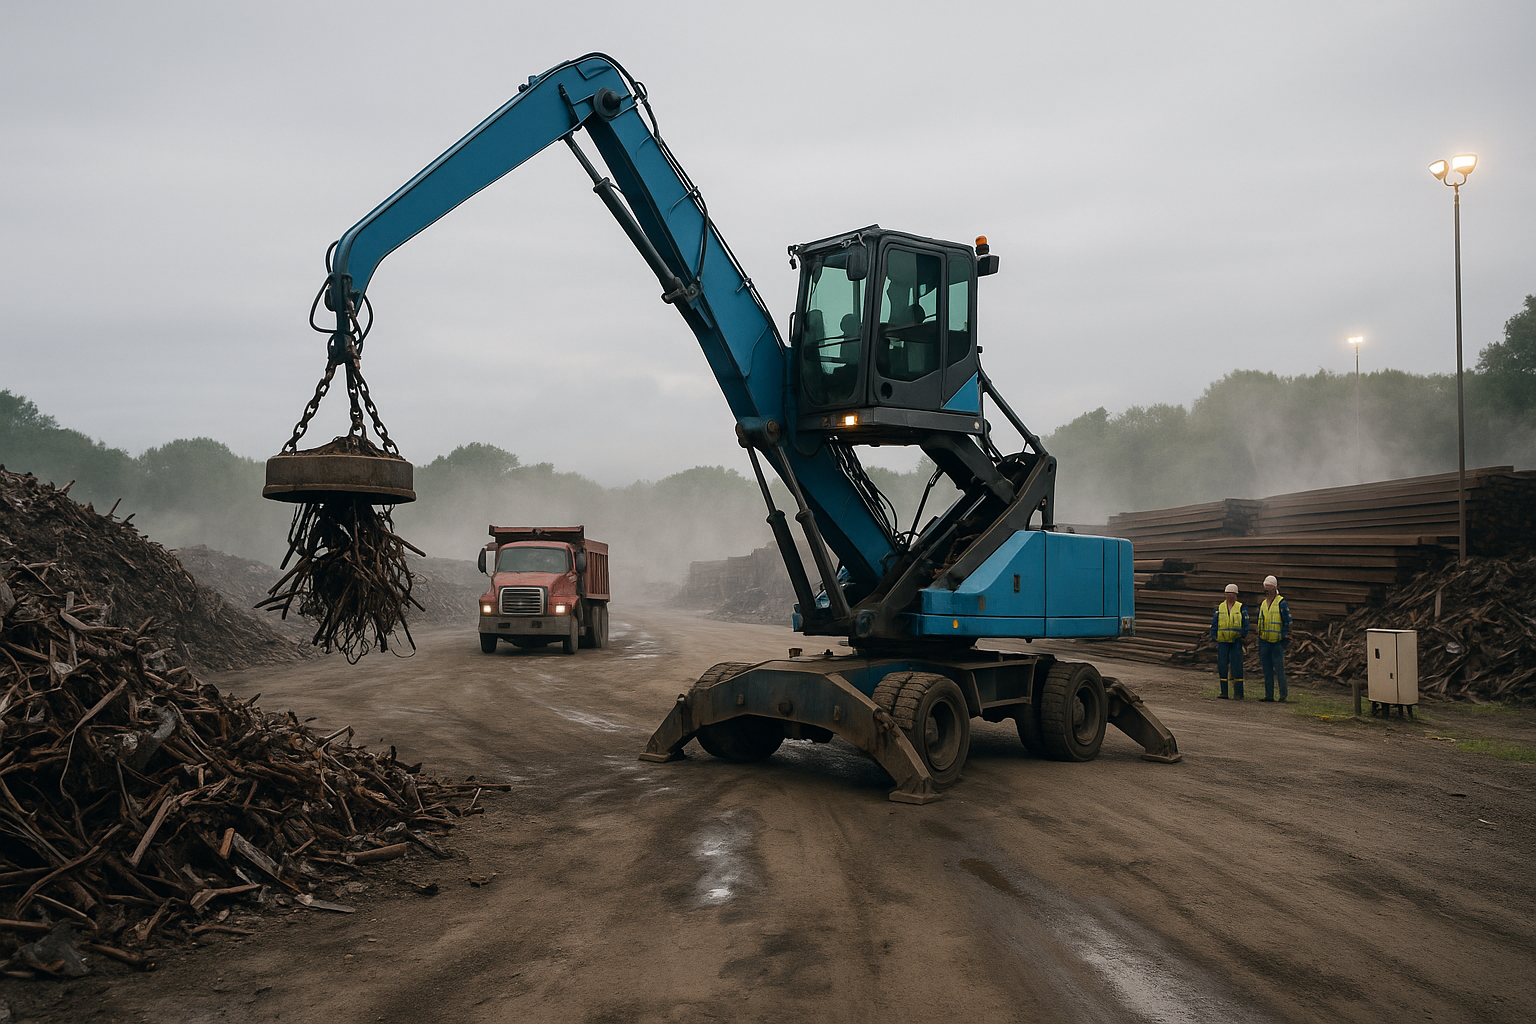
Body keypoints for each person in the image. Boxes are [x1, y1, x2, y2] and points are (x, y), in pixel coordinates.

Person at [1256, 574, 1291, 702]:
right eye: (1265, 586)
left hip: (1277, 642)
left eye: (1269, 586)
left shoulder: (1281, 603)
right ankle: (1269, 695)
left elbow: (1288, 622)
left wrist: (1284, 637)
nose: (1266, 588)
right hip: (1264, 641)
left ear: (1274, 587)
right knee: (1267, 669)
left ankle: (1283, 695)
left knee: (1279, 669)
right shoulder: (1263, 604)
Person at [1210, 583, 1248, 700]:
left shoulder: (1241, 607)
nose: (1229, 596)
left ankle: (1238, 693)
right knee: (1222, 665)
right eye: (1227, 593)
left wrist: (1243, 635)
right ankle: (1224, 692)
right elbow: (1215, 622)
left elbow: (1246, 623)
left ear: (1236, 595)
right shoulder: (1220, 607)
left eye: (1231, 593)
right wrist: (1213, 635)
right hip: (1222, 641)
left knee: (1237, 666)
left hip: (1236, 641)